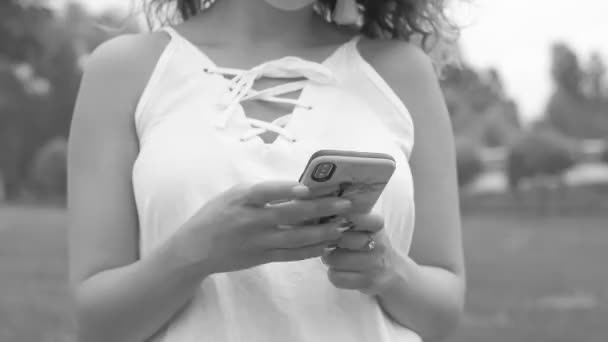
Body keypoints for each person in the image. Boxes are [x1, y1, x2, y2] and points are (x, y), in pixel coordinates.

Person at [67, 0, 465, 341]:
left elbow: (444, 312)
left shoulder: (402, 71)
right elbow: (98, 324)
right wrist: (194, 254)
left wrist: (389, 270)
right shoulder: (124, 70)